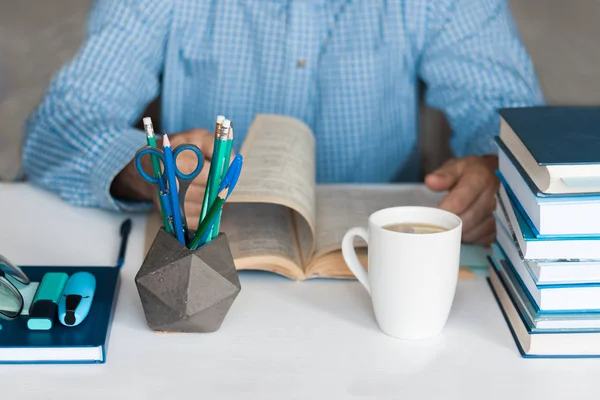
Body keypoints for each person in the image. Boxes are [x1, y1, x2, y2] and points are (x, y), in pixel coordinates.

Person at [22, 0, 544, 245]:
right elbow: (61, 123)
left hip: (383, 261)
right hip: (199, 258)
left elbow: (518, 123)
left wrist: (494, 170)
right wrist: (141, 171)